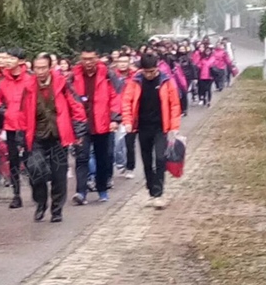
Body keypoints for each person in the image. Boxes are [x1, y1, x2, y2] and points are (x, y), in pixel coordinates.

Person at [23, 54, 86, 223]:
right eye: (37, 68)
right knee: (35, 170)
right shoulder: (28, 86)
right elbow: (22, 113)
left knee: (59, 175)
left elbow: (76, 107)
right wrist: (21, 138)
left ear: (50, 67)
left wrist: (78, 132)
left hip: (58, 136)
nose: (40, 71)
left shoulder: (62, 83)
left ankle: (57, 209)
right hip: (37, 136)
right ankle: (40, 202)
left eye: (43, 67)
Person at [121, 53, 181, 209]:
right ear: (142, 69)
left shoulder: (166, 81)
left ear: (157, 68)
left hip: (161, 127)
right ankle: (151, 190)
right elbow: (127, 102)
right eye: (146, 72)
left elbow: (174, 104)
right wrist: (128, 122)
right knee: (147, 160)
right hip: (142, 127)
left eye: (152, 71)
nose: (149, 75)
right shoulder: (135, 82)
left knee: (160, 158)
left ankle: (158, 193)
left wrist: (174, 127)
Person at [70, 49, 121, 204]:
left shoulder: (108, 75)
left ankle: (102, 189)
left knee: (102, 158)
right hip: (81, 124)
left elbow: (116, 97)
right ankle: (81, 192)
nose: (88, 62)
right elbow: (69, 99)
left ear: (97, 58)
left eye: (91, 58)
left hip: (102, 123)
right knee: (81, 158)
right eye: (85, 59)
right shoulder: (73, 76)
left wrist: (114, 119)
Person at [0, 47, 31, 209]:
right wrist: (3, 111)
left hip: (28, 125)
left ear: (21, 61)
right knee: (13, 161)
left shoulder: (30, 79)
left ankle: (37, 187)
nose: (7, 61)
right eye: (6, 58)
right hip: (10, 125)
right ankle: (16, 194)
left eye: (11, 58)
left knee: (30, 159)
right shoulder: (2, 81)